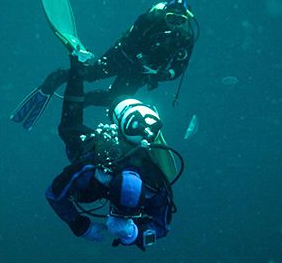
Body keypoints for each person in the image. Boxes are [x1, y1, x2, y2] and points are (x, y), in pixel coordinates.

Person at [44, 57, 181, 251]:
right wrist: (80, 225)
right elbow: (54, 193)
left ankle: (85, 72)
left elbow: (162, 226)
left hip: (132, 141)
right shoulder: (93, 165)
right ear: (108, 182)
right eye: (118, 209)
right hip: (96, 148)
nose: (119, 214)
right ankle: (77, 70)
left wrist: (134, 234)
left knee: (71, 126)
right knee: (69, 128)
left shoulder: (154, 183)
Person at [12, 0, 199, 130]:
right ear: (164, 14)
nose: (174, 24)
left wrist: (163, 75)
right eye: (171, 18)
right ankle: (59, 77)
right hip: (123, 57)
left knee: (114, 101)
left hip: (142, 73)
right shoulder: (149, 20)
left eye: (179, 20)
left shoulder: (186, 39)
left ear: (186, 21)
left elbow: (180, 67)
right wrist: (140, 59)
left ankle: (78, 103)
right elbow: (131, 40)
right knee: (91, 75)